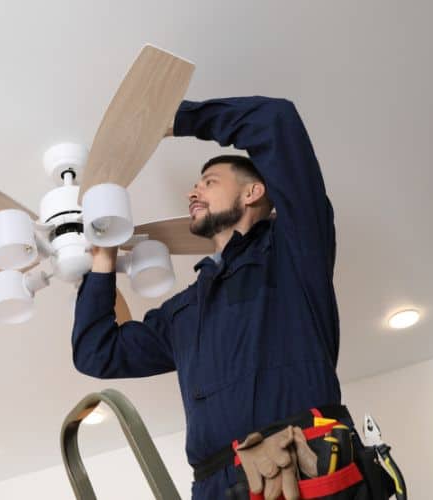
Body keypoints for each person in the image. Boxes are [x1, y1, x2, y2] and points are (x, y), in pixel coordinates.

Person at [72, 96, 353, 499]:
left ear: (254, 192)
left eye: (210, 182)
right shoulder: (185, 312)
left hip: (303, 468)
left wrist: (167, 117)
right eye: (196, 185)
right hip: (216, 487)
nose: (194, 191)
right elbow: (98, 352)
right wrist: (103, 260)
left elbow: (274, 119)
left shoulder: (293, 252)